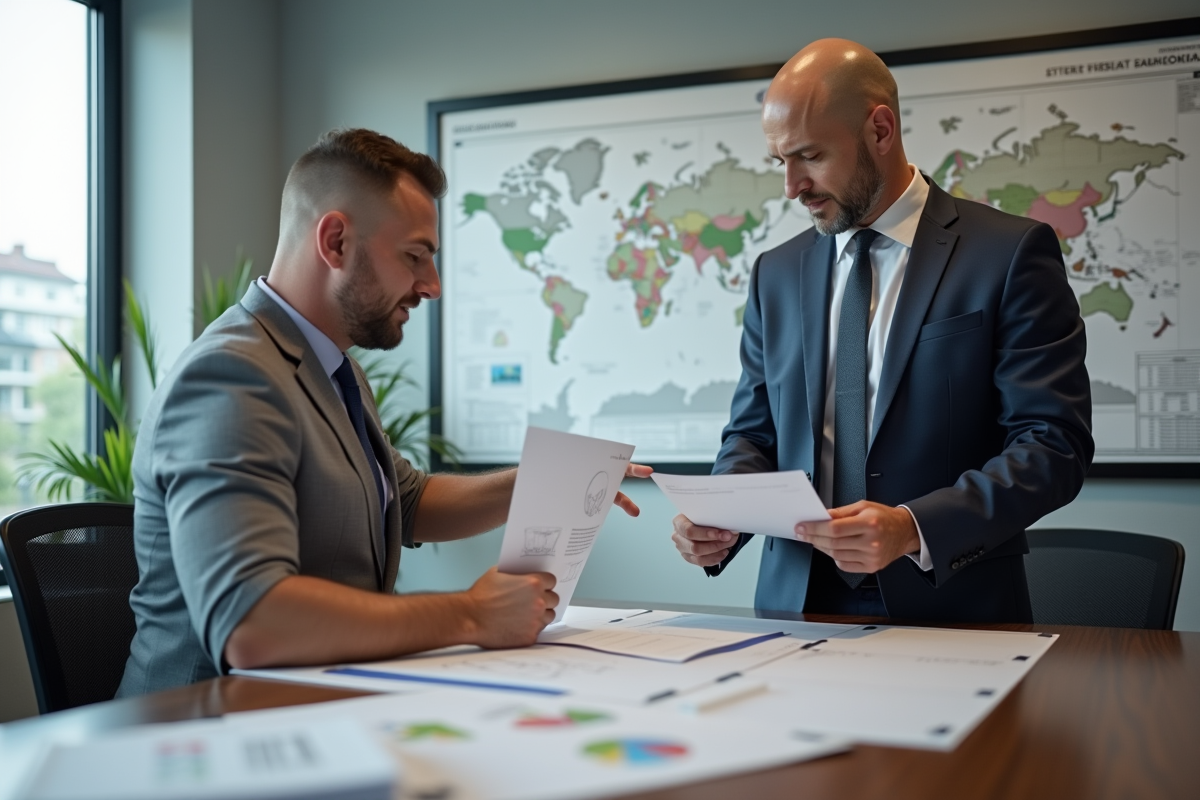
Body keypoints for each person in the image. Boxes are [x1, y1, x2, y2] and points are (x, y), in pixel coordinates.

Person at [118, 128, 649, 696]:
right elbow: (251, 622)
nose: (433, 285)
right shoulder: (230, 378)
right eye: (415, 256)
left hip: (317, 704)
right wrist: (471, 614)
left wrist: (544, 482)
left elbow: (408, 501)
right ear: (337, 242)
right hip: (204, 734)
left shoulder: (327, 367)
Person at [670, 40, 1093, 622]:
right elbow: (753, 435)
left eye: (810, 156)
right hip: (795, 608)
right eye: (780, 162)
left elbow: (1052, 445)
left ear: (880, 129)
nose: (792, 186)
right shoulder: (776, 272)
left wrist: (911, 527)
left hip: (954, 609)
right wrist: (724, 515)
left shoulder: (1009, 254)